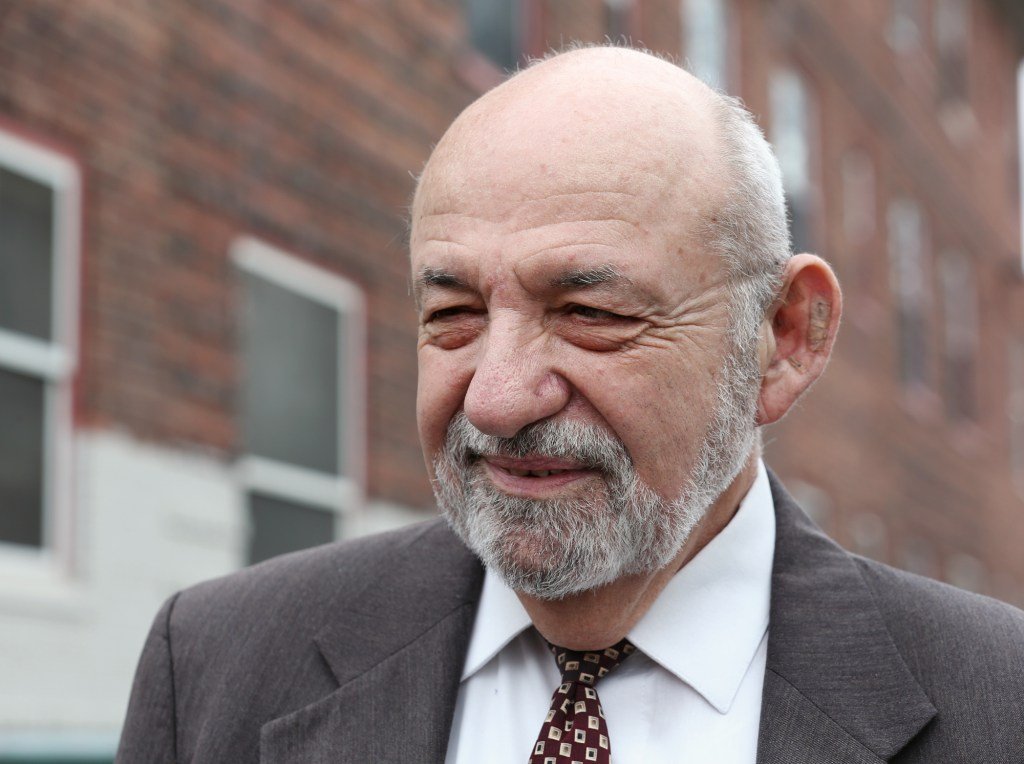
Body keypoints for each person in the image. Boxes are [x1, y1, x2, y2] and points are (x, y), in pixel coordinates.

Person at [116, 47, 1024, 764]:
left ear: (784, 336)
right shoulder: (213, 666)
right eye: (453, 315)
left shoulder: (999, 704)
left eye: (590, 314)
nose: (498, 399)